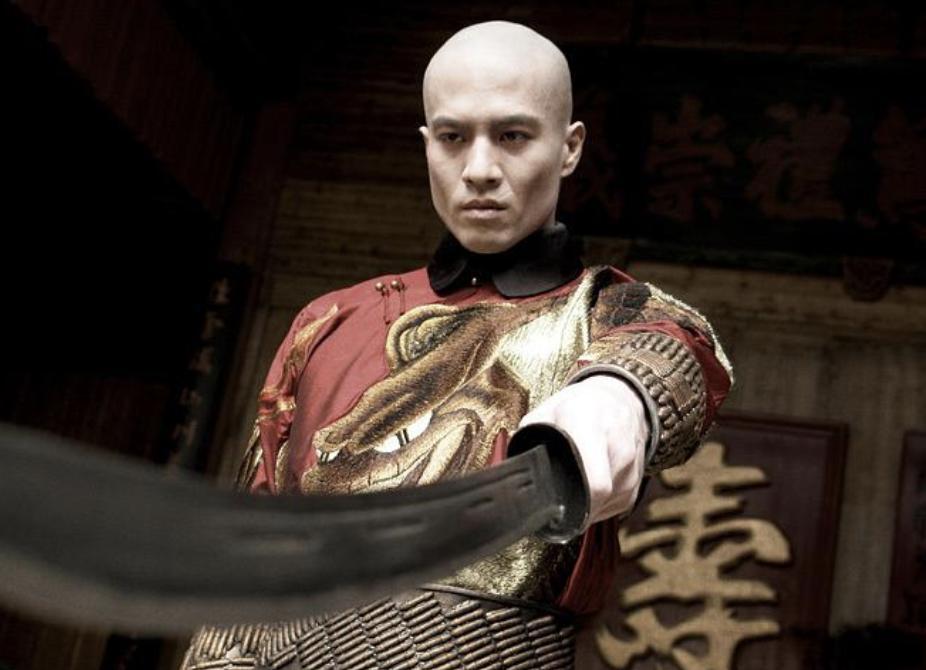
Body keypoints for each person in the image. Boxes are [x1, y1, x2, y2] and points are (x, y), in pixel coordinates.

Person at [182, 20, 732, 669]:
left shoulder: (614, 314)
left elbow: (661, 364)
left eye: (513, 136)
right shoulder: (328, 321)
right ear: (426, 145)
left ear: (569, 147)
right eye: (452, 138)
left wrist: (605, 410)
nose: (479, 170)